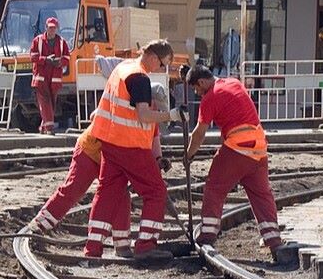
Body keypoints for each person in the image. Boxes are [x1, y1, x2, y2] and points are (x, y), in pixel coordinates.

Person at [84, 40, 182, 260]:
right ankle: (146, 244)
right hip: (129, 145)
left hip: (109, 142)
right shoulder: (140, 78)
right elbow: (144, 116)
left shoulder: (122, 68)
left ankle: (93, 248)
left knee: (107, 192)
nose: (160, 69)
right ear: (154, 57)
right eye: (162, 64)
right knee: (156, 191)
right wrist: (172, 115)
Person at [182, 65, 286, 262]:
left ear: (202, 82)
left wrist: (188, 155)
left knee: (214, 187)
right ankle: (274, 241)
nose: (197, 92)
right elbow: (236, 112)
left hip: (238, 147)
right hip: (259, 147)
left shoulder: (210, 97)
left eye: (196, 88)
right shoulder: (234, 83)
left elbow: (199, 133)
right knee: (261, 194)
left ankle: (207, 235)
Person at [30, 17, 71, 134]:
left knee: (51, 102)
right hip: (41, 78)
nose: (52, 30)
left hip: (55, 79)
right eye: (50, 28)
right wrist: (45, 60)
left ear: (57, 28)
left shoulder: (62, 42)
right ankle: (49, 128)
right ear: (46, 28)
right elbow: (32, 56)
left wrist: (59, 62)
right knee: (45, 101)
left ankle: (43, 127)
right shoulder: (38, 40)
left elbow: (67, 58)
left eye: (54, 28)